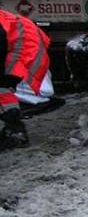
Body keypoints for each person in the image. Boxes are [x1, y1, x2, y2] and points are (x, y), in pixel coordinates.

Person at [0, 9, 51, 151]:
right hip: (23, 45)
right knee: (5, 89)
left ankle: (16, 133)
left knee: (3, 89)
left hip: (22, 48)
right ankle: (14, 130)